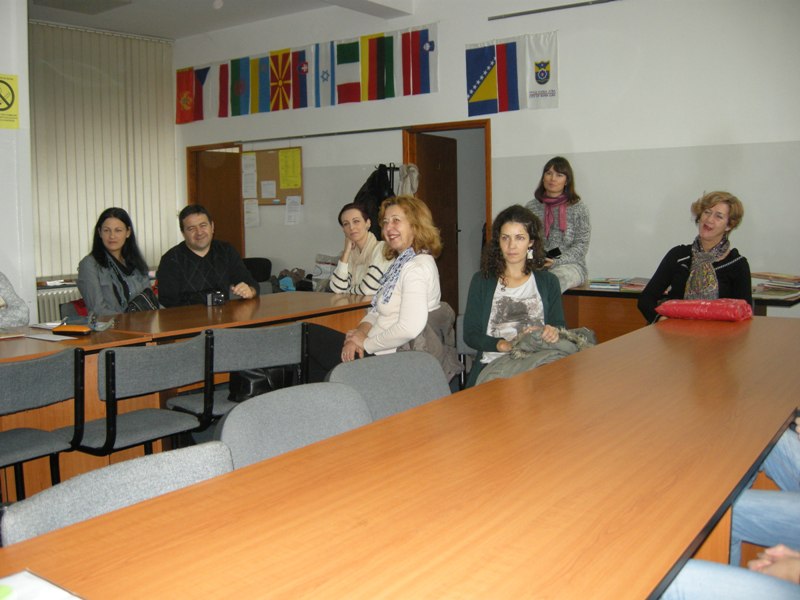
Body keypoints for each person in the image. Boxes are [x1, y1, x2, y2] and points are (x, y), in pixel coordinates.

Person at [307, 195, 442, 382]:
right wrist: (359, 333)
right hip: (375, 345)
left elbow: (409, 328)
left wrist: (365, 343)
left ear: (415, 225)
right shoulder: (402, 262)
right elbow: (377, 310)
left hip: (388, 356)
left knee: (308, 335)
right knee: (312, 350)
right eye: (385, 222)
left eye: (396, 220)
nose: (388, 228)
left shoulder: (416, 268)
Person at [463, 205, 566, 388]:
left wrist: (552, 332)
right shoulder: (482, 281)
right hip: (495, 368)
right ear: (498, 241)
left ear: (531, 242)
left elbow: (559, 326)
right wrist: (504, 345)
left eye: (519, 238)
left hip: (538, 365)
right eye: (505, 238)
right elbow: (471, 334)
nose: (511, 246)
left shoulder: (549, 282)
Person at [638, 191, 752, 323]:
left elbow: (744, 313)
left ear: (729, 225)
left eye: (718, 216)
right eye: (707, 212)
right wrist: (662, 320)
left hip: (718, 334)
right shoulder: (679, 256)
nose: (709, 220)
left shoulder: (737, 264)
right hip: (674, 332)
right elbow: (646, 299)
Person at [156, 205, 259, 308]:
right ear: (183, 233)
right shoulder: (171, 259)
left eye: (203, 225)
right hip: (187, 317)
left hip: (223, 315)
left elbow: (252, 284)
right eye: (191, 228)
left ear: (212, 227)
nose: (199, 232)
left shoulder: (226, 251)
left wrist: (250, 291)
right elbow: (168, 301)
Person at [525, 156, 591, 292]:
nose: (552, 179)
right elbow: (526, 241)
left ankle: (542, 306)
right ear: (543, 178)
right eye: (548, 173)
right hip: (538, 264)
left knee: (552, 280)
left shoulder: (579, 208)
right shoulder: (531, 208)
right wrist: (531, 260)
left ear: (567, 181)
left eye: (559, 175)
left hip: (570, 266)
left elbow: (581, 245)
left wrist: (556, 262)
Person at [77, 207, 152, 317]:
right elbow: (98, 310)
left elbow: (149, 300)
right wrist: (129, 321)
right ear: (99, 232)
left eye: (118, 230)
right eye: (106, 230)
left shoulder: (135, 262)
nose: (112, 236)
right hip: (110, 326)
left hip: (142, 323)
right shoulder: (89, 265)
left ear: (128, 232)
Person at [329, 202, 392, 296]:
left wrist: (346, 291)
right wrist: (346, 252)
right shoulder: (350, 254)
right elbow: (337, 288)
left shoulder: (382, 249)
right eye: (346, 224)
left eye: (356, 221)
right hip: (357, 304)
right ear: (343, 230)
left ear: (368, 223)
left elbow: (368, 289)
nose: (351, 227)